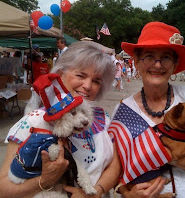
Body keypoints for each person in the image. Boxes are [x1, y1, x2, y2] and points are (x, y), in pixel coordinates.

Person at [108, 22, 185, 198]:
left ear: (175, 65)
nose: (157, 65)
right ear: (136, 62)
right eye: (149, 56)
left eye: (166, 58)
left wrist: (153, 152)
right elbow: (117, 168)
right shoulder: (121, 111)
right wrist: (126, 193)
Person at [0, 41, 121, 198]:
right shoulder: (34, 121)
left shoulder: (102, 117)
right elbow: (3, 189)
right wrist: (45, 180)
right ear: (60, 75)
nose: (88, 85)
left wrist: (96, 191)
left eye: (96, 81)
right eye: (80, 75)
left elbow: (114, 165)